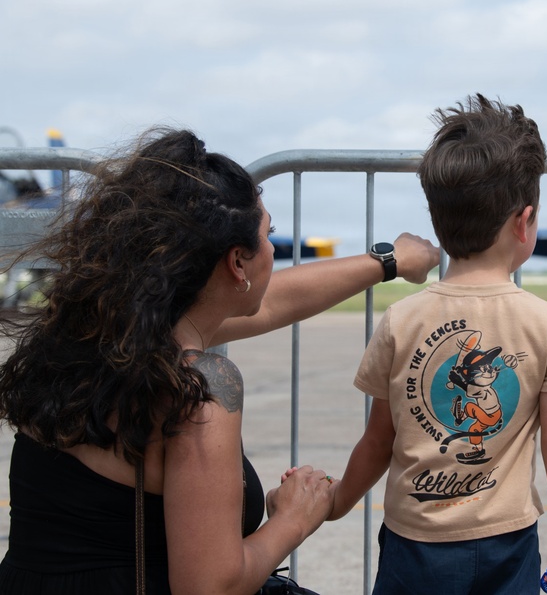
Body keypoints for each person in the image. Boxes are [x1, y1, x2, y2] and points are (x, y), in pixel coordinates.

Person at [0, 128, 438, 594]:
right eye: (268, 236)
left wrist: (387, 261)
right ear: (237, 264)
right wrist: (294, 519)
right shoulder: (196, 385)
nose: (273, 250)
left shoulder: (90, 333)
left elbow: (273, 302)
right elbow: (211, 588)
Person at [323, 95, 547, 594]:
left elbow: (380, 439)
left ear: (438, 222)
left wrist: (339, 501)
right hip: (507, 542)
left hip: (412, 544)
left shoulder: (401, 319)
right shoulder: (545, 323)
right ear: (524, 222)